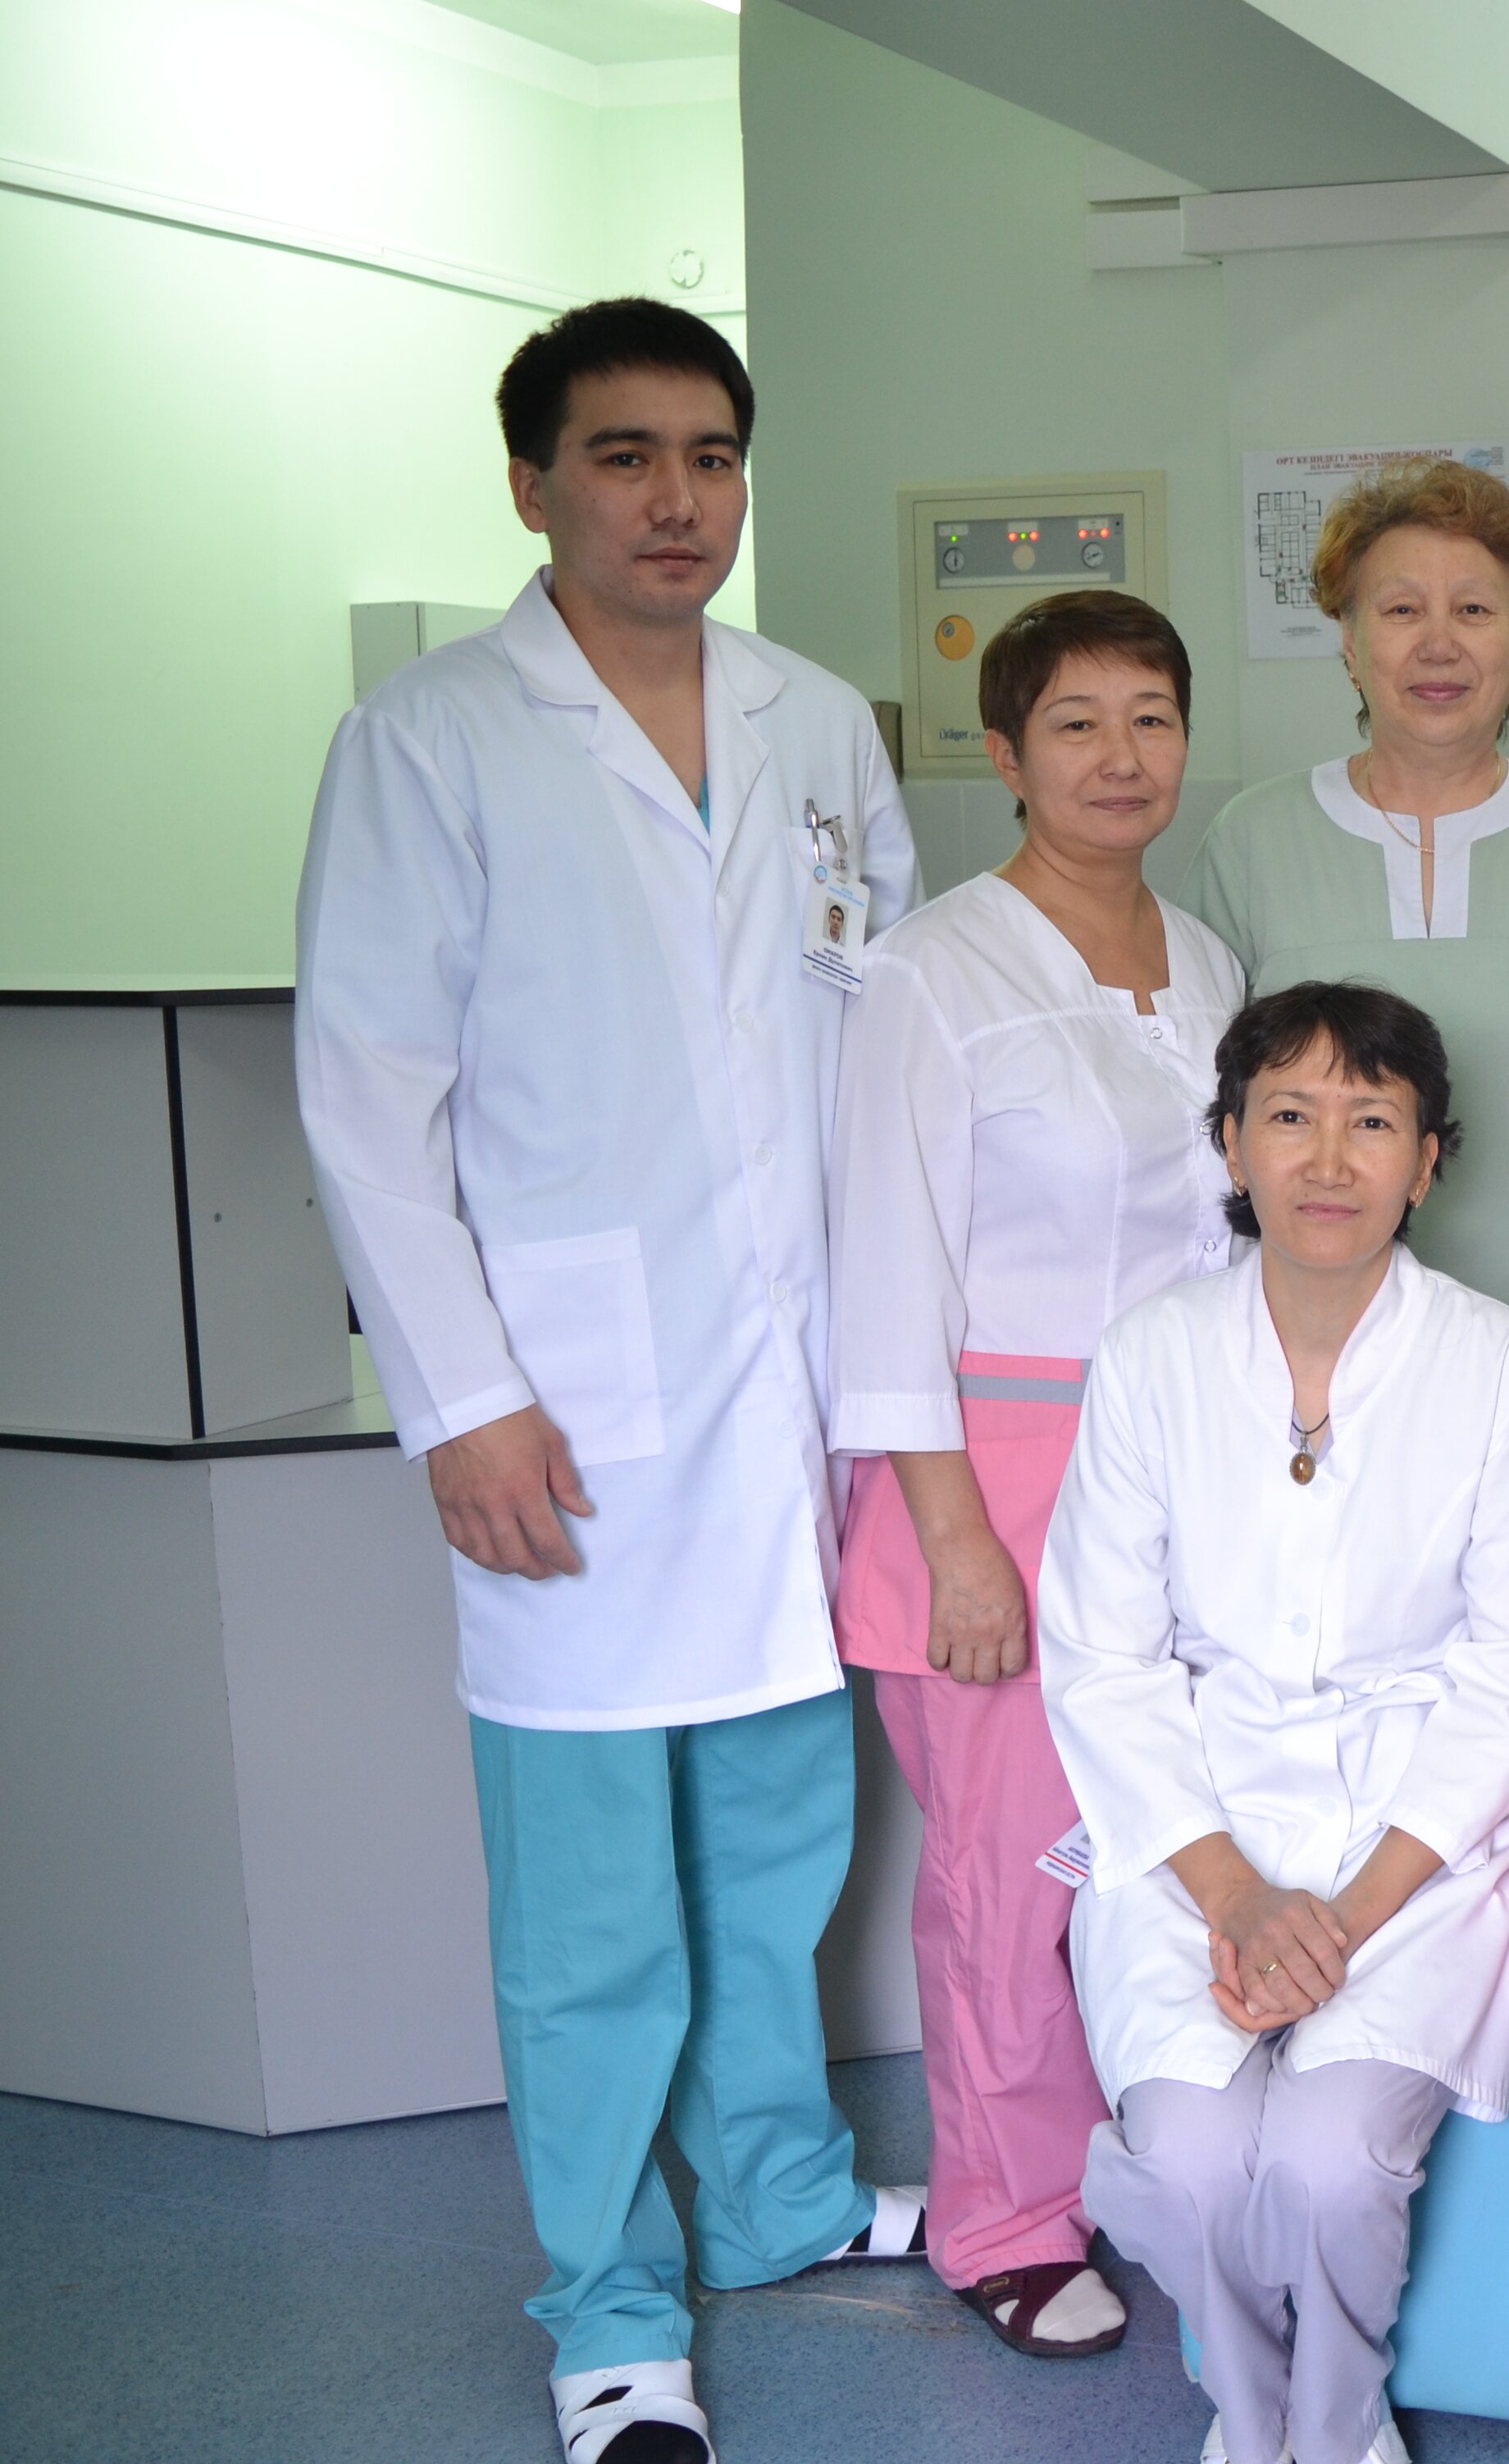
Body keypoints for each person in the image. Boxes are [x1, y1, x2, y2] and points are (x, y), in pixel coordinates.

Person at [297, 300, 924, 2464]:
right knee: (589, 1917)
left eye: (712, 457)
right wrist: (459, 1397)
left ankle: (780, 2200)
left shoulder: (815, 719)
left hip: (793, 1390)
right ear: (532, 483)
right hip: (567, 1401)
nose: (677, 500)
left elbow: (880, 1032)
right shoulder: (431, 740)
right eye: (625, 455)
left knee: (777, 1857)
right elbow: (366, 1093)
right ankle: (611, 2311)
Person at [1037, 980, 1509, 2464]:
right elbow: (1099, 1658)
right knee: (1195, 2163)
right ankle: (1256, 2417)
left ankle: (1336, 2432)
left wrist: (1344, 1915)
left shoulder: (1500, 1366)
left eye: (1373, 1122)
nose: (1329, 1159)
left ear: (1429, 1159)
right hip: (1193, 1823)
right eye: (1289, 1115)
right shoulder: (1151, 1356)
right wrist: (1234, 1896)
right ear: (1230, 1143)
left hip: (1414, 1839)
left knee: (1334, 2163)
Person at [823, 589, 1245, 2359]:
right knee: (1014, 1874)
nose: (1119, 756)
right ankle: (1002, 2217)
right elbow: (884, 1272)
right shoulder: (935, 969)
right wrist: (958, 1543)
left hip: (1178, 1468)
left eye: (1151, 717)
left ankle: (1145, 2176)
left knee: (1164, 1846)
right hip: (990, 1478)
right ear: (1004, 752)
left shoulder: (1207, 964)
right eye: (1076, 722)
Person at [1192, 459, 1509, 1321]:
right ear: (1349, 638)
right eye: (1402, 610)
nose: (1438, 645)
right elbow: (1212, 1110)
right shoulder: (1255, 842)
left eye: (1474, 611)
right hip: (1309, 1318)